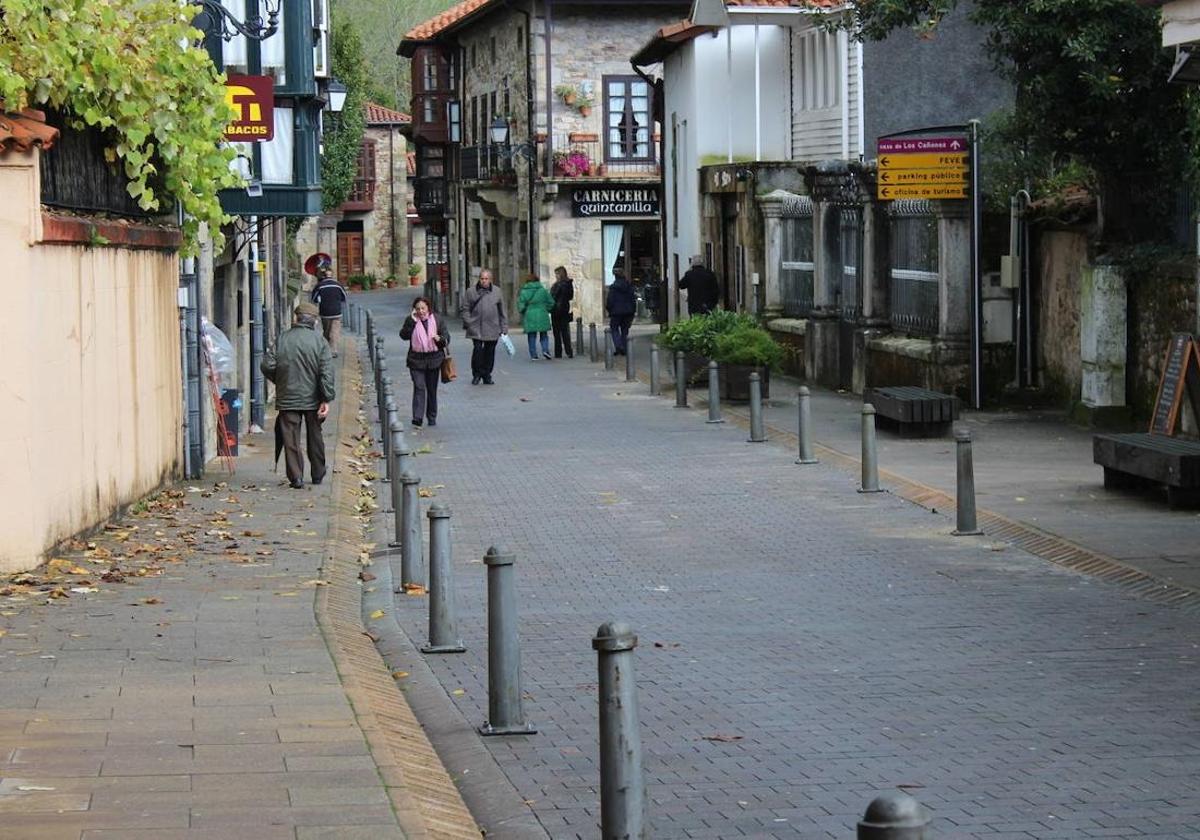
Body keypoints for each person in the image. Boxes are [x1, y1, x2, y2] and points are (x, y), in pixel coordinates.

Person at [261, 301, 335, 489]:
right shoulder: (320, 342)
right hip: (313, 398)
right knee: (315, 435)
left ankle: (296, 477)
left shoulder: (283, 339)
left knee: (290, 437)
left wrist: (280, 380)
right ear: (314, 321)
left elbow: (267, 365)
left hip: (288, 396)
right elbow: (326, 372)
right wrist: (326, 398)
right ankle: (318, 473)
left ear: (296, 318)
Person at [399, 297, 449, 427]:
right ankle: (418, 417)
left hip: (434, 359)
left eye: (423, 308)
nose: (421, 311)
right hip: (416, 360)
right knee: (419, 386)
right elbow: (404, 335)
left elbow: (446, 337)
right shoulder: (411, 320)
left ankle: (431, 417)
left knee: (432, 389)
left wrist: (440, 338)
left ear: (428, 308)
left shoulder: (437, 319)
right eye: (418, 309)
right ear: (414, 310)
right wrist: (412, 322)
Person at [460, 268, 507, 385]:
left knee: (489, 352)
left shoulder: (497, 291)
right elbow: (465, 309)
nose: (484, 281)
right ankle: (476, 374)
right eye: (482, 278)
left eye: (486, 279)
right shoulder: (471, 292)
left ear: (490, 280)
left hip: (493, 327)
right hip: (476, 327)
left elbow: (502, 311)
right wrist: (469, 322)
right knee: (477, 351)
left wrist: (504, 327)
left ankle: (487, 374)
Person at [309, 256, 347, 356]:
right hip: (337, 311)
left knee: (326, 331)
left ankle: (326, 348)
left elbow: (314, 299)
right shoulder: (338, 284)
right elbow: (344, 297)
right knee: (335, 331)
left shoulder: (319, 286)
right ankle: (333, 350)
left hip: (325, 312)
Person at [516, 274, 554, 360]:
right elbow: (551, 302)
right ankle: (545, 350)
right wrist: (546, 309)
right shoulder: (543, 290)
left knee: (531, 336)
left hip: (530, 314)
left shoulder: (524, 291)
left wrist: (523, 311)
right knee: (544, 334)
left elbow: (520, 304)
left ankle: (533, 355)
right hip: (542, 313)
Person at [605, 266, 636, 356]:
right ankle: (624, 347)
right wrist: (633, 311)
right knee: (625, 330)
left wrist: (609, 309)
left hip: (616, 312)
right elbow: (632, 300)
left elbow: (610, 301)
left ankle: (619, 346)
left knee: (614, 328)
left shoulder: (613, 288)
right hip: (628, 311)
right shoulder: (629, 286)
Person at [549, 266, 575, 359]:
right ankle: (569, 351)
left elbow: (553, 297)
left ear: (560, 274)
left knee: (557, 333)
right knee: (565, 332)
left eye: (556, 274)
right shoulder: (569, 284)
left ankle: (558, 352)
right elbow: (571, 296)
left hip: (556, 310)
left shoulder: (557, 285)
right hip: (565, 309)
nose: (555, 276)